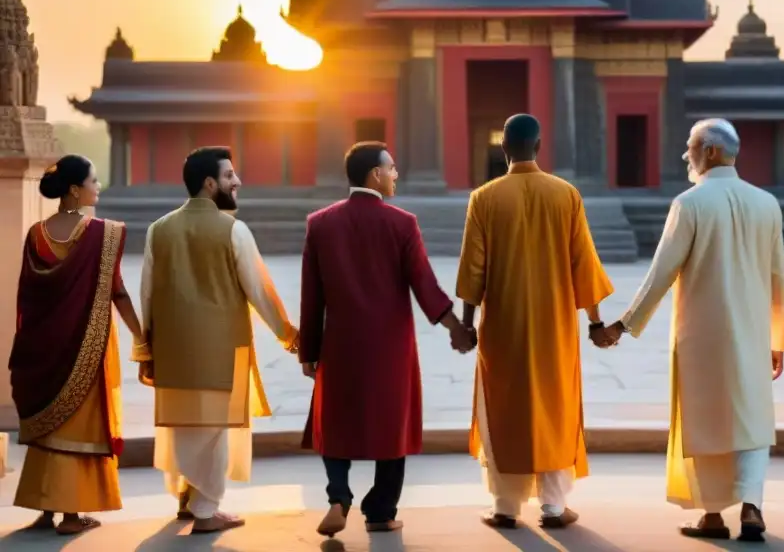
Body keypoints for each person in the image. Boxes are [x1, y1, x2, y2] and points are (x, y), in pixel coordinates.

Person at [604, 119, 784, 542]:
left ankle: (711, 516)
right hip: (753, 332)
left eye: (691, 146)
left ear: (709, 152)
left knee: (705, 421)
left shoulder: (689, 204)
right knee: (752, 419)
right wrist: (778, 340)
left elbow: (660, 274)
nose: (685, 155)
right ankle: (752, 507)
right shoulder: (767, 203)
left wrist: (624, 323)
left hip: (703, 336)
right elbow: (779, 276)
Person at [299, 141, 475, 538]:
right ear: (375, 175)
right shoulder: (402, 223)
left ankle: (338, 496)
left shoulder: (320, 223)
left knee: (336, 418)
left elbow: (312, 296)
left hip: (340, 343)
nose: (396, 175)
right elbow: (425, 286)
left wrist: (308, 351)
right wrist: (458, 331)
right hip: (390, 347)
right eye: (392, 168)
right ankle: (380, 509)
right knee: (393, 424)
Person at [456, 113, 614, 530]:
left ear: (503, 149)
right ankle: (554, 507)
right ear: (539, 147)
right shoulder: (566, 195)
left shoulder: (485, 197)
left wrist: (467, 325)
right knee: (555, 405)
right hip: (554, 326)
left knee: (503, 407)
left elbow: (473, 269)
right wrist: (596, 324)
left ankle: (505, 507)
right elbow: (585, 265)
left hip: (503, 327)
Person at [132, 146, 299, 534]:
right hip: (221, 350)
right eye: (229, 176)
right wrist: (289, 336)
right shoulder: (232, 229)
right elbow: (260, 291)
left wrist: (146, 350)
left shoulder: (159, 228)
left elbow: (147, 295)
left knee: (183, 426)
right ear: (210, 183)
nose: (236, 181)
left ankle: (188, 498)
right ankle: (206, 511)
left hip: (173, 350)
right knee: (214, 431)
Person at [8, 155, 144, 536]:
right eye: (93, 181)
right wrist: (140, 334)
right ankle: (70, 515)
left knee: (48, 427)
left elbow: (28, 299)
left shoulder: (37, 233)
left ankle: (45, 509)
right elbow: (117, 292)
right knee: (76, 428)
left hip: (42, 348)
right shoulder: (103, 233)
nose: (98, 187)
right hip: (85, 347)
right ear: (74, 190)